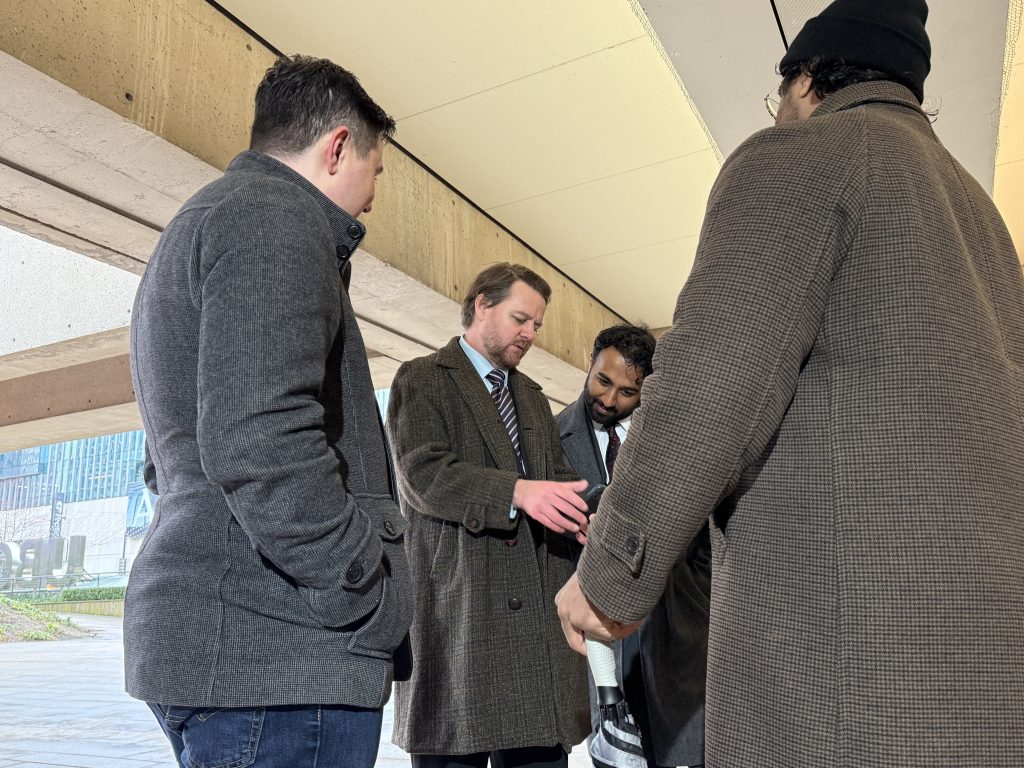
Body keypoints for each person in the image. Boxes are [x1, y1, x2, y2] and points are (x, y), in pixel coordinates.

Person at [556, 1, 1024, 766]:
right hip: (979, 676)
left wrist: (610, 575)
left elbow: (707, 387)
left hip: (842, 678)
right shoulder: (981, 218)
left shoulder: (803, 155)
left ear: (804, 79)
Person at [126, 55, 413, 768]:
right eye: (375, 171)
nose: (373, 199)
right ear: (338, 146)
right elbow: (258, 442)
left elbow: (171, 461)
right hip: (282, 663)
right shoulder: (275, 219)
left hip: (245, 654)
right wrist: (361, 586)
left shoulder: (213, 220)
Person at [387, 262, 591, 768]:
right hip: (463, 617)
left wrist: (581, 512)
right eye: (522, 318)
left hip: (535, 630)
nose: (531, 333)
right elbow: (423, 476)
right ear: (482, 304)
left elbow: (554, 482)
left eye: (537, 325)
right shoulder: (423, 379)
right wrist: (519, 492)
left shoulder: (532, 397)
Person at [556, 324, 710, 768]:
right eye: (603, 381)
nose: (609, 399)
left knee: (686, 751)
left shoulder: (675, 440)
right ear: (591, 362)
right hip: (600, 640)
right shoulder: (549, 435)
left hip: (674, 631)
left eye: (627, 391)